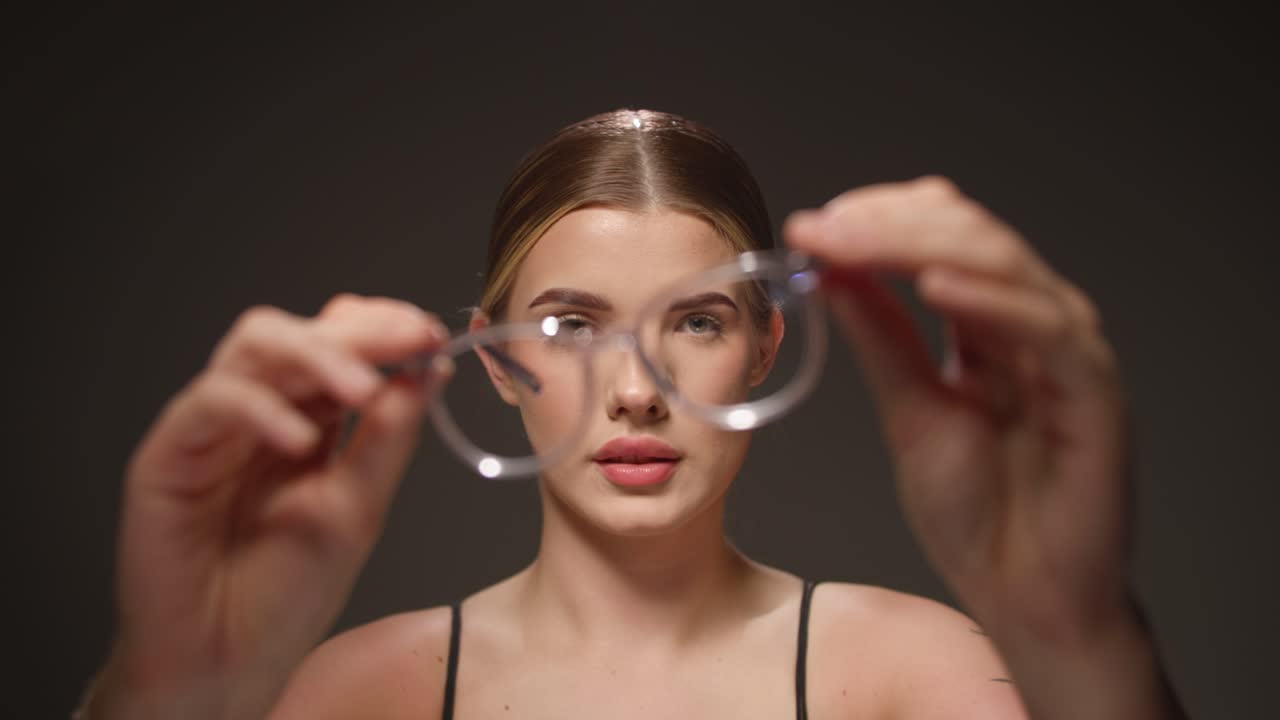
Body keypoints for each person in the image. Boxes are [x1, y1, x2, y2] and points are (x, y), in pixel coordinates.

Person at [77, 109, 1188, 719]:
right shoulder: (356, 697)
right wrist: (162, 700)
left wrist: (1083, 650)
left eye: (695, 321)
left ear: (764, 345)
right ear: (496, 361)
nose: (635, 388)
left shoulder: (918, 677)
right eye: (567, 327)